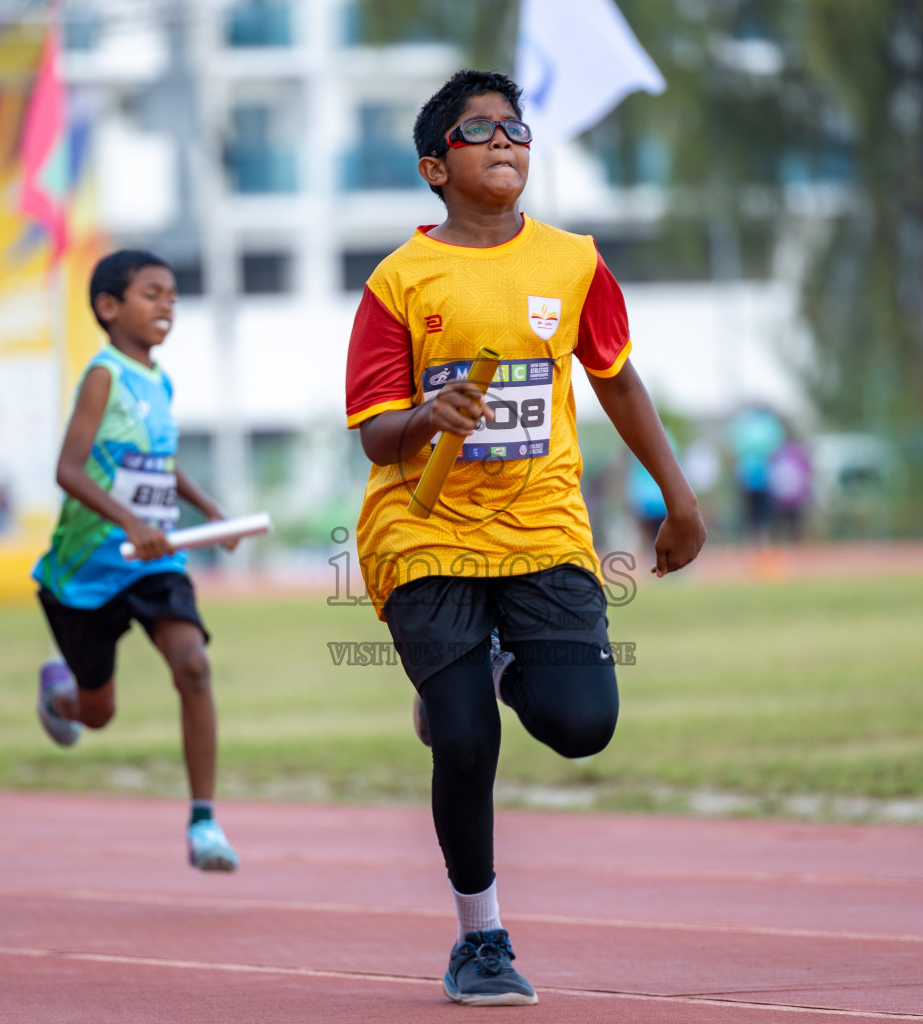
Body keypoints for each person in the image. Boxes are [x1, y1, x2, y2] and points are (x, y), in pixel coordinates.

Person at [343, 70, 705, 1007]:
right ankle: (482, 939)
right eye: (478, 129)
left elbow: (619, 381)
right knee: (463, 738)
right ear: (435, 165)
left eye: (516, 127)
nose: (505, 141)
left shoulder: (573, 263)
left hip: (543, 525)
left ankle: (487, 666)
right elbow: (376, 433)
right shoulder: (400, 282)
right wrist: (428, 415)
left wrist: (678, 493)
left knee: (584, 726)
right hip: (424, 532)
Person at [31, 249, 241, 873]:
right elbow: (68, 470)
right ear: (108, 307)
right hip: (86, 574)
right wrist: (130, 522)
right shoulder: (104, 375)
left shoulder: (160, 380)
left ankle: (204, 822)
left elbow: (156, 462)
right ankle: (60, 694)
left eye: (173, 295)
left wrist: (204, 505)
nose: (167, 305)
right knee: (97, 715)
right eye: (152, 293)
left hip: (154, 562)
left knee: (194, 666)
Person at [729, 404, 783, 544]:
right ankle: (761, 542)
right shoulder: (769, 425)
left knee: (750, 513)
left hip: (748, 476)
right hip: (761, 476)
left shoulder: (743, 425)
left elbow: (736, 450)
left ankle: (752, 542)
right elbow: (775, 450)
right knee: (762, 513)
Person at [768, 433, 812, 543]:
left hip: (790, 493)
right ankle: (789, 544)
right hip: (786, 493)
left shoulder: (784, 454)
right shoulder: (783, 453)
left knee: (792, 522)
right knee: (788, 522)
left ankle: (792, 544)